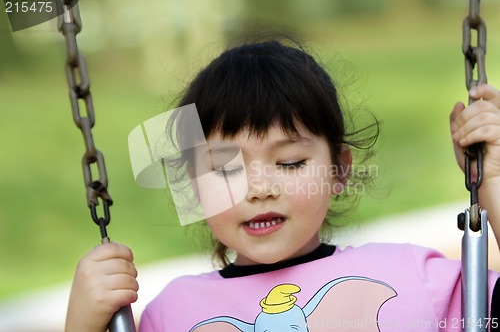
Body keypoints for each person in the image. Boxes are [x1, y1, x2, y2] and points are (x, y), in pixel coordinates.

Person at [65, 36, 500, 332]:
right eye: (224, 169)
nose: (259, 188)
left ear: (339, 171)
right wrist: (81, 323)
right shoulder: (172, 312)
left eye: (289, 162)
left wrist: (493, 182)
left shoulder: (411, 278)